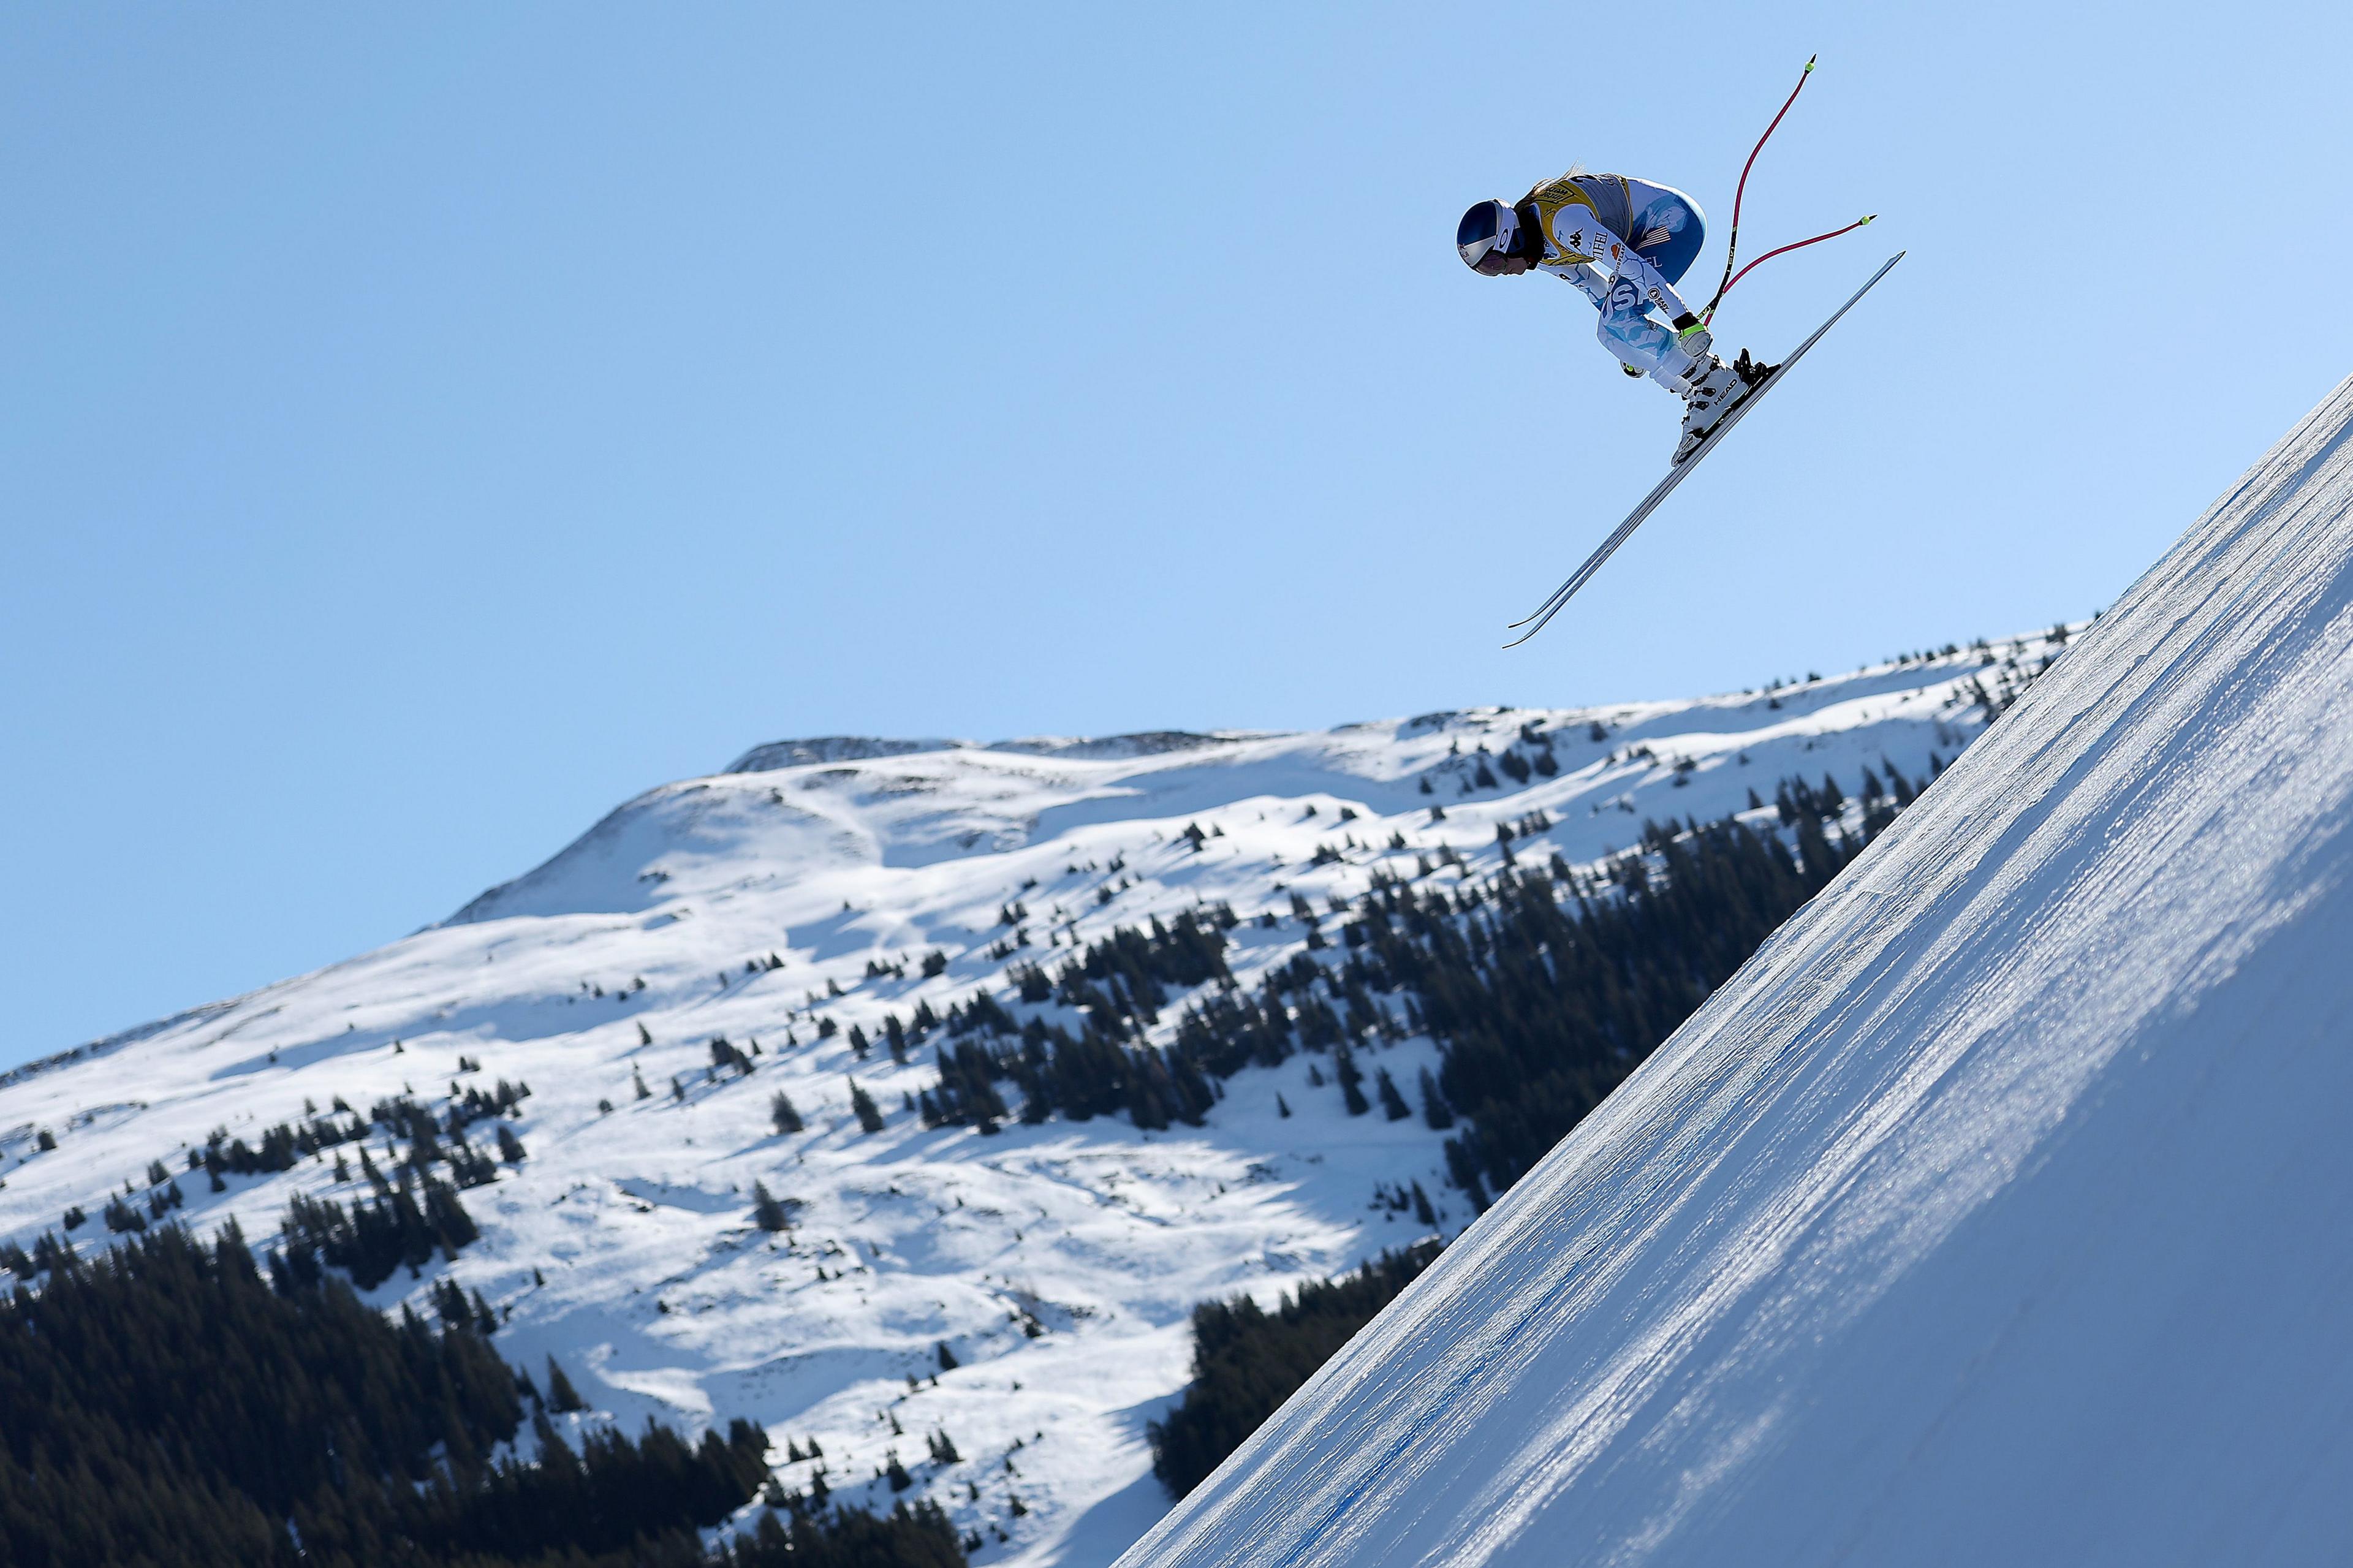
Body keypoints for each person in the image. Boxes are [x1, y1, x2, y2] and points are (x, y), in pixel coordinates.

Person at [1457, 172, 1770, 464]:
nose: (1501, 274)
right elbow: (1592, 286)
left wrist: (1684, 321)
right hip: (1645, 235)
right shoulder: (1541, 253)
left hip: (1673, 221)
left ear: (1509, 239)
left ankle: (1714, 381)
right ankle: (1699, 389)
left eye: (1495, 263)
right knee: (1612, 331)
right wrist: (1630, 342)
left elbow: (1631, 265)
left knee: (1613, 326)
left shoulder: (1564, 225)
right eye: (1488, 272)